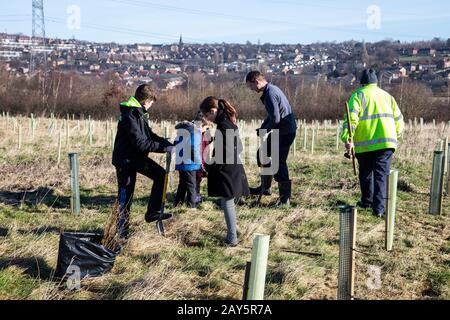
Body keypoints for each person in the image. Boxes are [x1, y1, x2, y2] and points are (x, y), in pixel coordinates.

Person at [112, 84, 174, 239]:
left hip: (136, 158)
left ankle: (153, 213)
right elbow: (140, 142)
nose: (152, 105)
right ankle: (122, 232)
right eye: (152, 102)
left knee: (161, 175)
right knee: (126, 195)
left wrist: (167, 144)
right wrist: (163, 149)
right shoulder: (130, 115)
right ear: (146, 100)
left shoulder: (140, 113)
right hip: (125, 160)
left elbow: (149, 135)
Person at [342, 68, 404, 218]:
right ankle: (379, 209)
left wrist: (347, 139)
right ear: (376, 82)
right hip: (387, 144)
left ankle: (367, 202)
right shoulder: (388, 97)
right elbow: (399, 121)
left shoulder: (357, 96)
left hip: (364, 144)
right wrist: (396, 135)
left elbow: (351, 121)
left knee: (365, 174)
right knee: (381, 176)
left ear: (362, 83)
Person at [199, 96, 250, 246]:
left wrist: (212, 166)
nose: (207, 119)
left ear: (213, 111)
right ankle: (233, 234)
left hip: (226, 169)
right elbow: (238, 147)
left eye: (207, 115)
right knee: (228, 202)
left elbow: (226, 152)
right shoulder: (229, 122)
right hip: (232, 167)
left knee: (226, 202)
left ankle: (232, 238)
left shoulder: (223, 125)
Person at [245, 71, 298, 206]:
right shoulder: (272, 89)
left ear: (256, 81)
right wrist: (263, 127)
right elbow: (272, 115)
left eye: (251, 86)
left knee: (279, 163)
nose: (251, 90)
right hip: (281, 130)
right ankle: (266, 188)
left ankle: (284, 199)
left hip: (285, 132)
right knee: (262, 154)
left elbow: (276, 118)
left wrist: (265, 130)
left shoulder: (270, 94)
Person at [173, 117, 202, 209]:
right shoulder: (195, 132)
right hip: (190, 163)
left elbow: (175, 143)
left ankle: (178, 204)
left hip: (180, 162)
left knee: (182, 184)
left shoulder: (181, 131)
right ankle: (191, 206)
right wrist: (198, 161)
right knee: (191, 185)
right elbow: (193, 148)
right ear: (201, 125)